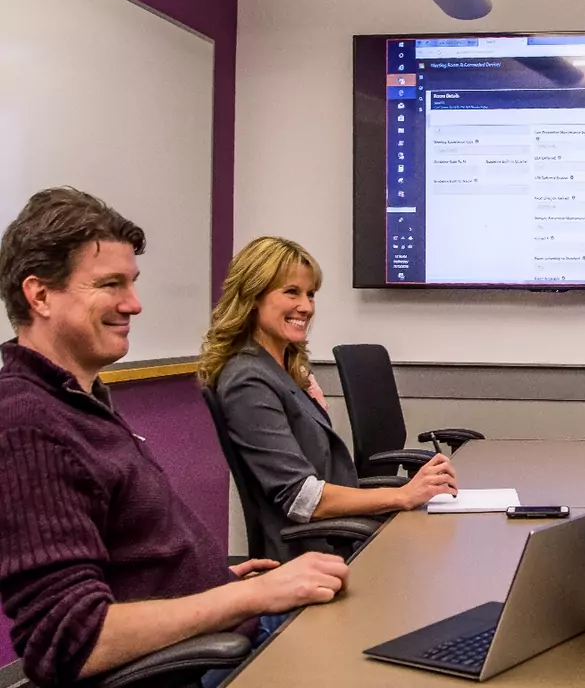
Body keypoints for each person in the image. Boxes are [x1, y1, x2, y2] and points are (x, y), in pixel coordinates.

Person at [0, 188, 349, 687]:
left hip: (217, 629)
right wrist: (246, 598)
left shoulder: (79, 400)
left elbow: (130, 564)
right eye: (110, 284)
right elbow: (71, 639)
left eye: (133, 284)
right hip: (203, 663)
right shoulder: (29, 424)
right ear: (39, 295)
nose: (134, 304)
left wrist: (216, 582)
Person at [198, 236, 458, 562]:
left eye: (310, 295)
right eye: (291, 292)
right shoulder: (248, 382)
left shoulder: (282, 371)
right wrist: (402, 495)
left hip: (333, 542)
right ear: (252, 297)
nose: (306, 307)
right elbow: (302, 498)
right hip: (311, 558)